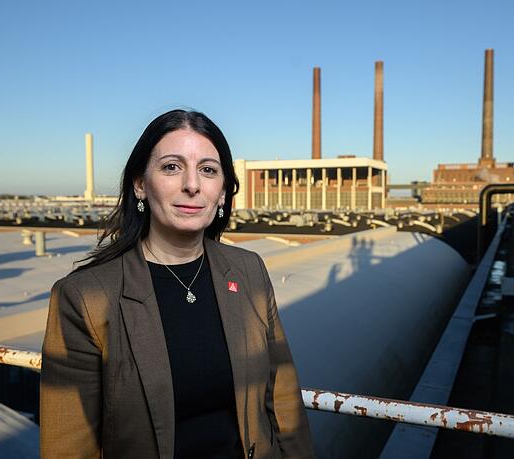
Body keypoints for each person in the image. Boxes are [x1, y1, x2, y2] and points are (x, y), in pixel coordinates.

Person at [40, 109, 315, 458]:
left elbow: (284, 399)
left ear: (222, 193)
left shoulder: (249, 271)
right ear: (140, 184)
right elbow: (69, 449)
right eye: (172, 166)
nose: (192, 184)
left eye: (208, 170)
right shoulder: (84, 298)